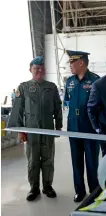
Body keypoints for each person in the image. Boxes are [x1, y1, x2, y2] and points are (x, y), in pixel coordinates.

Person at [11, 56, 62, 201]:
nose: (39, 70)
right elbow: (18, 111)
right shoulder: (23, 87)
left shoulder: (51, 87)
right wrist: (21, 131)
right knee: (33, 161)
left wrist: (58, 126)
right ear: (30, 70)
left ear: (44, 70)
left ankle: (47, 186)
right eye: (36, 68)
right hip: (31, 131)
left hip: (48, 130)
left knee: (48, 160)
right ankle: (34, 188)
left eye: (41, 68)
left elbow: (58, 108)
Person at [64, 50, 100, 202]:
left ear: (81, 62)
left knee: (92, 162)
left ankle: (94, 190)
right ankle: (79, 190)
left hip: (90, 127)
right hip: (73, 126)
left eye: (72, 62)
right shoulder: (69, 81)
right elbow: (67, 101)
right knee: (76, 161)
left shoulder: (96, 81)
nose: (70, 65)